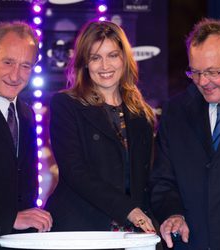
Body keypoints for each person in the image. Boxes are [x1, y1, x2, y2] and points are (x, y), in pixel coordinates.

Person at [45, 20, 156, 233]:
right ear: (85, 62)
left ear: (124, 58)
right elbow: (75, 172)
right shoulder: (67, 105)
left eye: (112, 55)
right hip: (80, 229)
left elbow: (146, 179)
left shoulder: (141, 113)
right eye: (96, 57)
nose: (105, 66)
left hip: (129, 233)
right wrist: (129, 210)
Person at [150, 17, 220, 250]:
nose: (203, 82)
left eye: (212, 72)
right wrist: (173, 213)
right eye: (195, 72)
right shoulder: (176, 112)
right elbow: (163, 181)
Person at [0, 21, 53, 250]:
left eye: (26, 65)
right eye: (8, 62)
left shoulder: (26, 114)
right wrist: (9, 219)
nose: (15, 75)